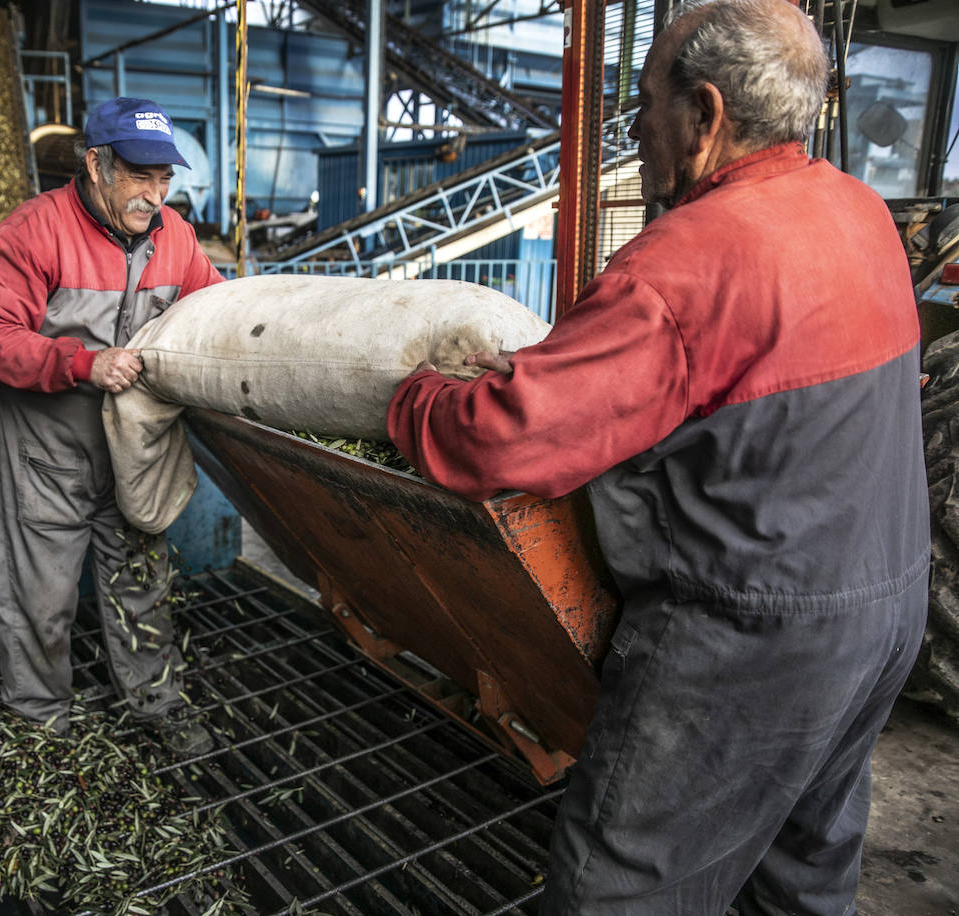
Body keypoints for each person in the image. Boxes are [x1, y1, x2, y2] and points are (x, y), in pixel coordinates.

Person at [387, 1, 927, 913]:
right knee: (800, 877)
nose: (633, 129)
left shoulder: (687, 264)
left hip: (750, 646)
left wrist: (415, 399)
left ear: (705, 115)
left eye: (642, 104)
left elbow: (503, 440)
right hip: (882, 618)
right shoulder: (860, 211)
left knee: (621, 890)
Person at [0, 97, 223, 756]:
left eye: (165, 177)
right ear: (97, 164)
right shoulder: (33, 232)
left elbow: (216, 311)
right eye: (140, 175)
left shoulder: (178, 238)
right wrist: (80, 362)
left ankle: (156, 702)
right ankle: (40, 727)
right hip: (46, 446)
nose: (156, 193)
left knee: (140, 583)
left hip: (134, 445)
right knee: (40, 597)